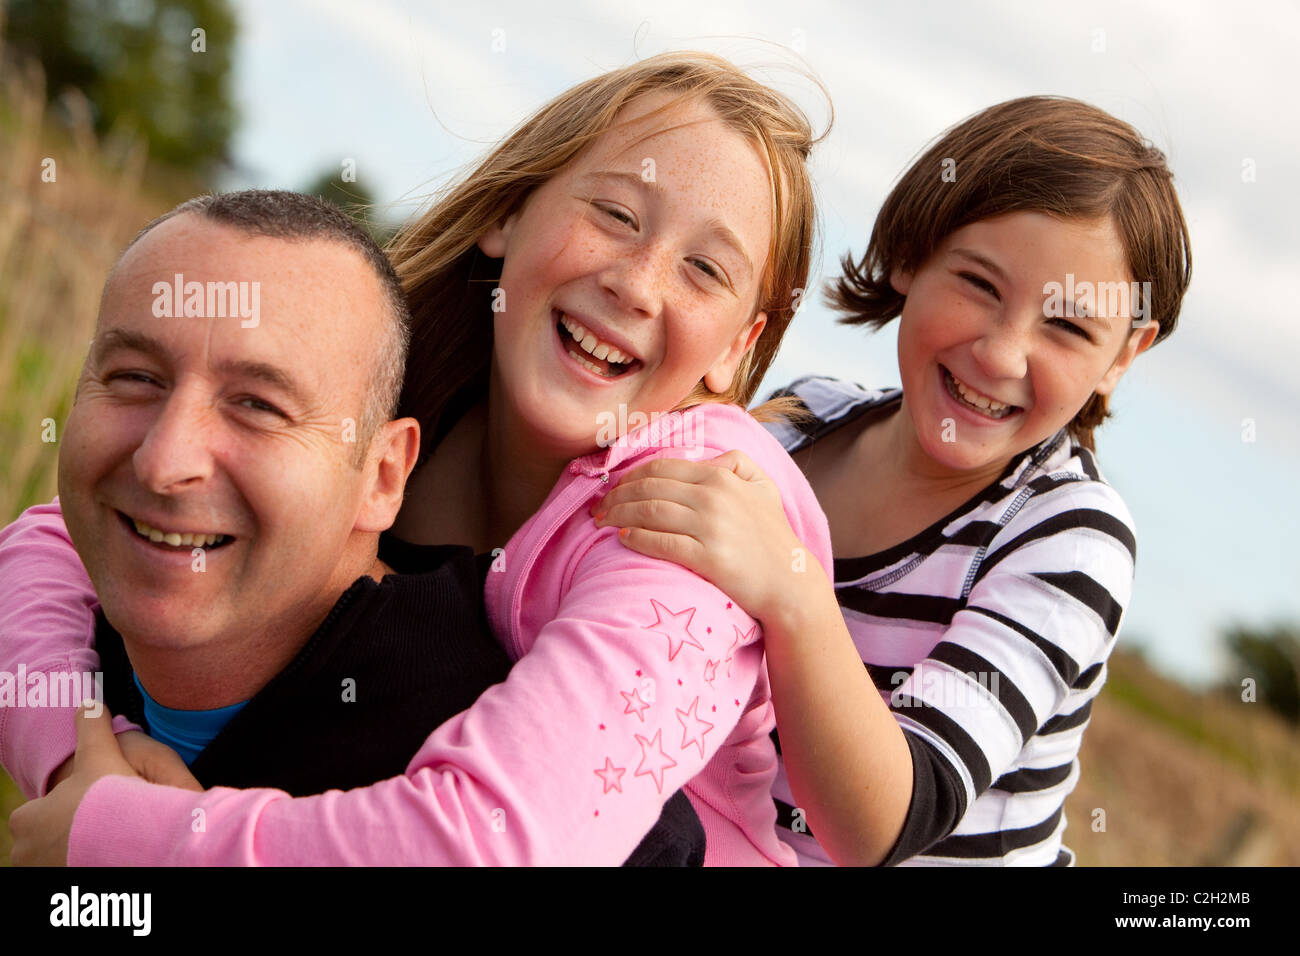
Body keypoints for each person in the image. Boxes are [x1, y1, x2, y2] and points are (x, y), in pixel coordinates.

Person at [4, 51, 831, 866]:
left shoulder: (699, 515)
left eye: (705, 269)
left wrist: (125, 834)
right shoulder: (412, 389)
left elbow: (491, 844)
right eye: (615, 214)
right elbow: (57, 542)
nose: (638, 284)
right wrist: (84, 757)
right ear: (507, 213)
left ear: (737, 347)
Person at [591, 95, 1193, 865]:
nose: (1003, 354)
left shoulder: (1066, 538)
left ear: (1122, 357)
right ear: (911, 256)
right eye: (979, 284)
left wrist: (795, 592)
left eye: (1069, 326)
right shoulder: (794, 422)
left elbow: (885, 824)